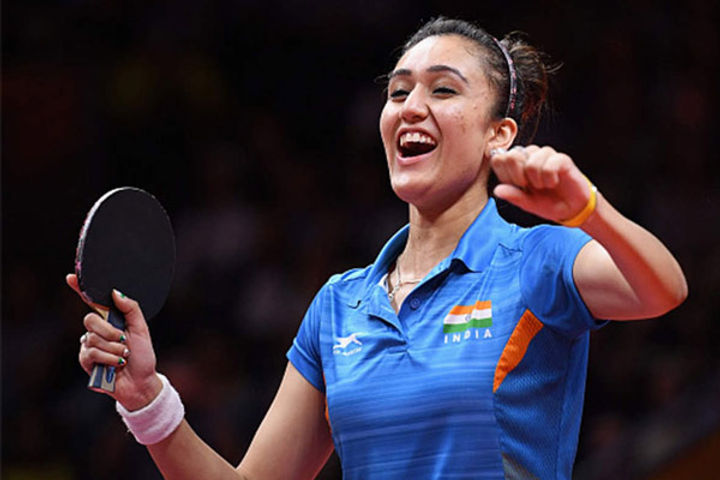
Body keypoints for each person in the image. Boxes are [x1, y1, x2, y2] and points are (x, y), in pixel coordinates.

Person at [68, 17, 687, 480]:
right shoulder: (340, 305)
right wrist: (147, 400)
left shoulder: (537, 260)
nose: (411, 107)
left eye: (443, 91)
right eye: (397, 92)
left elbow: (663, 289)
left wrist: (588, 211)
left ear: (499, 134)